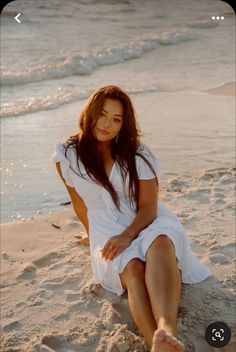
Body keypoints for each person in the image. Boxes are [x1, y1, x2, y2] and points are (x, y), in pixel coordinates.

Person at [52, 85, 210, 352]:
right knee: (133, 268)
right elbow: (80, 204)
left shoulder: (137, 153)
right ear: (89, 113)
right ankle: (155, 344)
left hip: (146, 219)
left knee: (161, 243)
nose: (107, 124)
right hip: (106, 227)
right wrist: (92, 237)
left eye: (117, 119)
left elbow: (149, 206)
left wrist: (128, 235)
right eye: (103, 114)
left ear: (124, 124)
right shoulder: (66, 155)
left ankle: (166, 331)